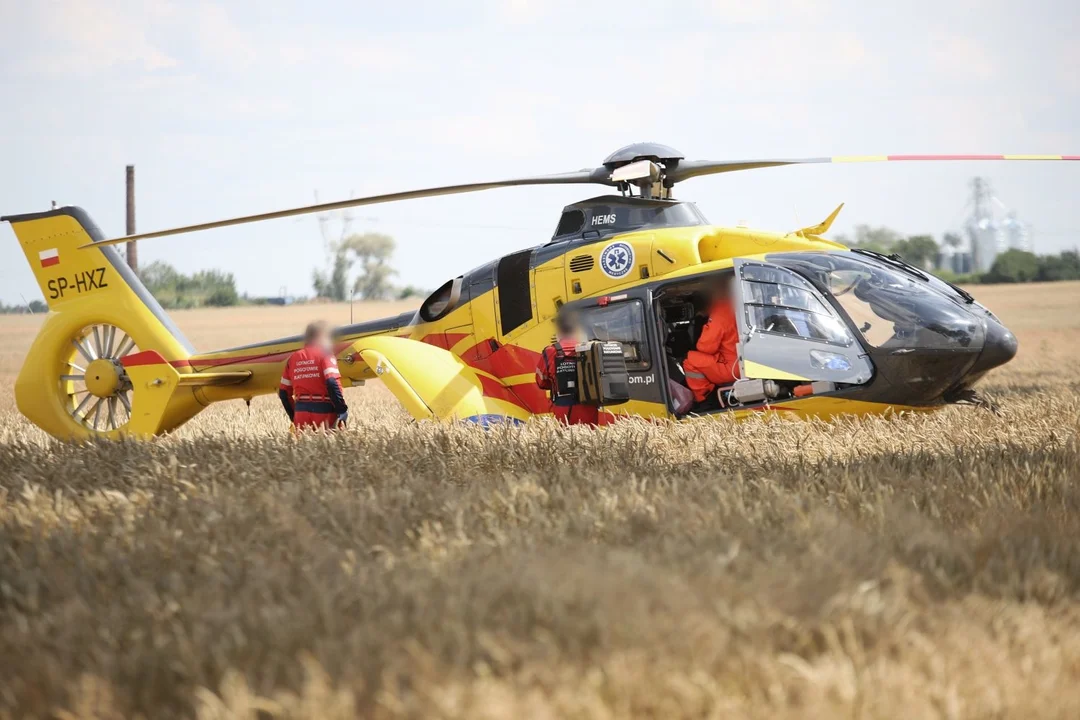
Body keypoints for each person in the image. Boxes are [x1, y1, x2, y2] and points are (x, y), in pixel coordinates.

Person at [279, 321, 349, 431]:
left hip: (300, 411)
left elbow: (283, 393)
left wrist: (295, 416)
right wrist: (341, 409)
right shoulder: (325, 355)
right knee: (325, 447)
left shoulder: (293, 358)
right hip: (324, 411)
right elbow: (331, 382)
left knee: (303, 447)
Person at [683, 275, 741, 406]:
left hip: (732, 368)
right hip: (746, 362)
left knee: (690, 360)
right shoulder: (737, 306)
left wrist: (704, 326)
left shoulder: (720, 312)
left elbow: (706, 347)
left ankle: (705, 399)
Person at [535, 310, 599, 426]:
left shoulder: (550, 351)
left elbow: (541, 382)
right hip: (589, 405)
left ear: (559, 330)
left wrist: (558, 380)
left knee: (566, 442)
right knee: (590, 440)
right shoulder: (590, 349)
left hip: (563, 406)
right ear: (576, 329)